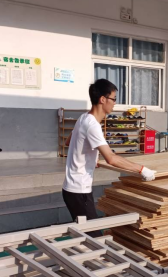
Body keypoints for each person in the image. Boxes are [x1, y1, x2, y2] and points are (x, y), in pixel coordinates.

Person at [63, 79, 156, 222]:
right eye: (113, 99)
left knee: (85, 230)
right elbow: (111, 158)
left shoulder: (83, 118)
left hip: (71, 188)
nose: (114, 103)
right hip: (79, 190)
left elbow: (69, 142)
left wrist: (91, 157)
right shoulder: (92, 125)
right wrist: (142, 170)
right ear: (102, 99)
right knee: (91, 233)